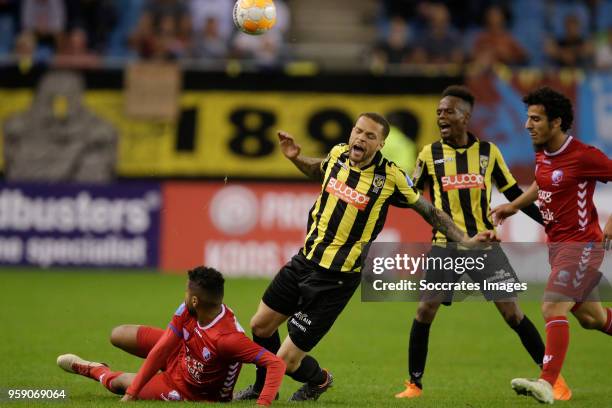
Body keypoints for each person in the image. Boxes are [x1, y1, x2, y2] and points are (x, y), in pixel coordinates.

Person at [234, 112, 497, 402]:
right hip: (304, 261)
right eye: (358, 131)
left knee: (287, 361)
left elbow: (430, 211)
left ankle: (319, 380)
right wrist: (295, 157)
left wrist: (466, 240)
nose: (360, 138)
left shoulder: (391, 176)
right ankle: (259, 387)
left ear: (381, 143)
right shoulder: (338, 154)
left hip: (336, 279)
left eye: (370, 136)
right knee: (260, 326)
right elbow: (318, 169)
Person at [394, 85, 572, 401]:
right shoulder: (428, 154)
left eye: (448, 111)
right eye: (438, 112)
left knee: (513, 315)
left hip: (485, 246)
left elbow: (516, 196)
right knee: (425, 310)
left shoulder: (488, 153)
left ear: (466, 116)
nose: (441, 117)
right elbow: (409, 196)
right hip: (445, 246)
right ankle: (414, 385)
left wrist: (550, 222)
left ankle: (554, 380)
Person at [491, 86, 612, 404]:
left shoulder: (585, 156)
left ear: (556, 122)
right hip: (558, 248)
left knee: (551, 306)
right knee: (592, 319)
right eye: (528, 118)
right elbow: (542, 182)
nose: (527, 125)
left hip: (583, 246)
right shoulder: (543, 150)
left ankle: (547, 382)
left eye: (535, 119)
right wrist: (513, 205)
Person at [56, 266, 285, 405]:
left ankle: (93, 369)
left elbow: (275, 364)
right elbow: (163, 348)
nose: (184, 295)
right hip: (182, 353)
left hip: (189, 389)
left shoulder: (227, 339)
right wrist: (135, 393)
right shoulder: (189, 309)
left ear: (195, 299)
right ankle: (130, 383)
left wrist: (262, 404)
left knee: (119, 383)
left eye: (186, 291)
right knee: (119, 334)